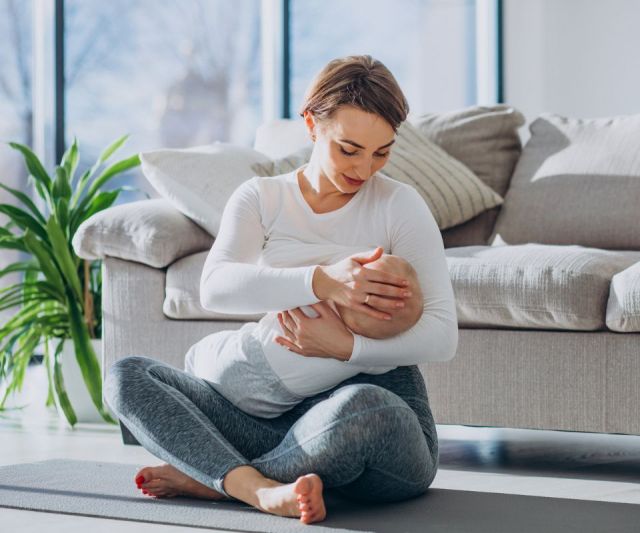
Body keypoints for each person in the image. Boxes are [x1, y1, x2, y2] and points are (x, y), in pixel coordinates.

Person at [102, 54, 458, 525]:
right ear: (311, 125)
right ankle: (262, 488)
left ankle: (221, 479)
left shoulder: (400, 205)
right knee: (125, 376)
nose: (365, 169)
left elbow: (442, 336)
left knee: (365, 410)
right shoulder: (263, 197)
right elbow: (215, 287)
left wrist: (346, 347)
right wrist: (322, 281)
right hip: (270, 421)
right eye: (349, 149)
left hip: (370, 426)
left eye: (381, 152)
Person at [184, 247, 425, 419]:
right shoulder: (372, 361)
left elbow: (275, 288)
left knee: (195, 356)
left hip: (242, 358)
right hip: (269, 407)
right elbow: (393, 359)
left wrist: (326, 280)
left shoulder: (315, 303)